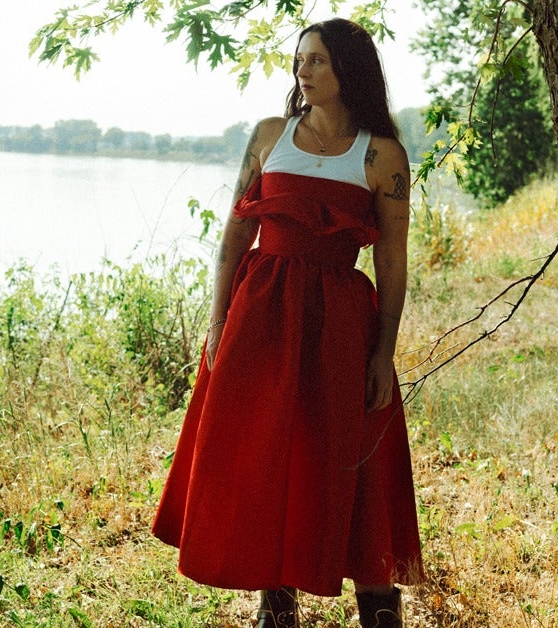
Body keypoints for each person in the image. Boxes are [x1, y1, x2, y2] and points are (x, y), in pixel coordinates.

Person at [151, 17, 424, 628]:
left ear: (348, 69)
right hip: (261, 313)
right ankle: (276, 604)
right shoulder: (270, 136)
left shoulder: (382, 156)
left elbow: (393, 264)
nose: (303, 70)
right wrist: (217, 319)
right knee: (267, 447)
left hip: (342, 322)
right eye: (300, 60)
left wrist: (383, 354)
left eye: (318, 60)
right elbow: (236, 231)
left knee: (350, 455)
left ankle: (379, 609)